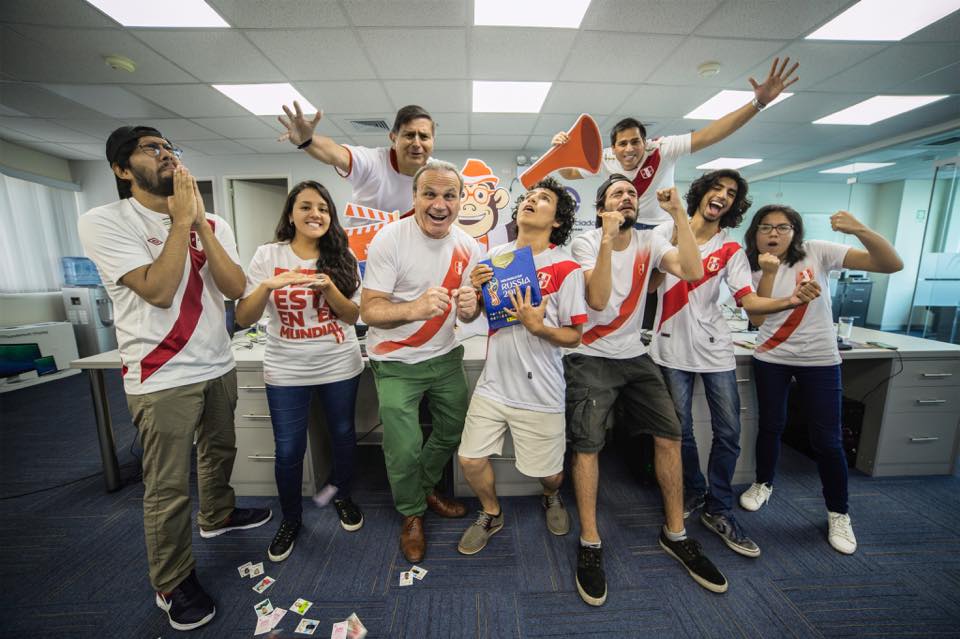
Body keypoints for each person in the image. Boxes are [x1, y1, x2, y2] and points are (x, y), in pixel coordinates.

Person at [77, 126, 271, 632]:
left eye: (169, 147)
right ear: (122, 169)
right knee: (167, 486)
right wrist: (180, 221)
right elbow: (159, 291)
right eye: (152, 148)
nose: (165, 154)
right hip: (161, 373)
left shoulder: (213, 221)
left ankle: (218, 516)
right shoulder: (105, 221)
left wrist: (200, 223)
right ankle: (171, 581)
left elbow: (234, 288)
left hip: (217, 362)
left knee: (219, 451)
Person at [565, 174, 726, 607]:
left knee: (670, 435)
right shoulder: (584, 243)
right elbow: (598, 301)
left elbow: (692, 271)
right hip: (590, 355)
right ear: (601, 206)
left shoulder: (651, 241)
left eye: (632, 194)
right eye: (617, 193)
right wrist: (606, 239)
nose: (627, 198)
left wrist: (678, 214)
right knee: (587, 445)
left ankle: (676, 533)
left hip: (635, 356)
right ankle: (590, 541)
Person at [649, 169, 821, 558]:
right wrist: (675, 223)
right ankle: (694, 489)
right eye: (717, 188)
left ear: (733, 205)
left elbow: (748, 302)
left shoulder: (730, 249)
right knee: (681, 433)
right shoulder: (663, 232)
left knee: (728, 433)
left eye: (730, 193)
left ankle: (720, 506)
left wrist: (789, 300)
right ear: (700, 193)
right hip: (670, 349)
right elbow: (653, 284)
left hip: (715, 352)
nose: (723, 196)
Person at [739, 205, 902, 554]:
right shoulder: (749, 264)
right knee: (771, 426)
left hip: (820, 359)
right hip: (771, 357)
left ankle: (838, 512)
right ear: (755, 233)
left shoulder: (817, 251)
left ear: (795, 232)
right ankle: (763, 483)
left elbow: (891, 264)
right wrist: (769, 272)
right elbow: (756, 316)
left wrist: (859, 229)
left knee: (827, 440)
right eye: (765, 227)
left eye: (783, 227)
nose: (773, 233)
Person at [359, 159, 485, 562]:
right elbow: (369, 310)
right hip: (395, 361)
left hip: (445, 357)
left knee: (454, 429)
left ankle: (424, 487)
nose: (439, 204)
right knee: (404, 446)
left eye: (449, 195)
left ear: (460, 200)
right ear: (414, 197)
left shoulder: (469, 247)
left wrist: (471, 308)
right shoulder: (389, 239)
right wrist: (414, 308)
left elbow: (468, 314)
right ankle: (412, 512)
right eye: (429, 193)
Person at [235, 180, 365, 564]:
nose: (315, 214)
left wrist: (329, 288)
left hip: (338, 363)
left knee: (342, 434)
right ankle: (291, 518)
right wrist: (269, 285)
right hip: (286, 367)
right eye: (306, 206)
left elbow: (353, 316)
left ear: (330, 217)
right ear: (291, 214)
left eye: (323, 208)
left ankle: (341, 494)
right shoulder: (268, 255)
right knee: (289, 448)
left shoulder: (342, 255)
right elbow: (243, 318)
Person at [456, 177, 587, 555]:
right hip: (495, 382)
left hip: (541, 387)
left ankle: (551, 495)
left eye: (543, 198)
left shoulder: (566, 267)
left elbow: (575, 336)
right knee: (469, 458)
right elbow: (474, 314)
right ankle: (491, 512)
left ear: (557, 220)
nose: (531, 200)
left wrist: (539, 327)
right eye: (528, 196)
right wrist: (471, 298)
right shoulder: (493, 257)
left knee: (551, 473)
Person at [552, 57, 799, 229]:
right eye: (622, 144)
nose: (629, 149)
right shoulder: (604, 158)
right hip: (621, 224)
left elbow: (710, 134)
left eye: (635, 142)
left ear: (645, 142)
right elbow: (569, 173)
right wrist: (561, 151)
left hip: (660, 228)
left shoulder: (662, 148)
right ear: (613, 148)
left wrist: (758, 103)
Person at [278, 101, 434, 217]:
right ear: (394, 138)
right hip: (364, 248)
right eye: (409, 135)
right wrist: (308, 141)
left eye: (424, 136)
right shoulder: (372, 161)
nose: (416, 143)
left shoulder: (438, 173)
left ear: (432, 140)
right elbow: (335, 153)